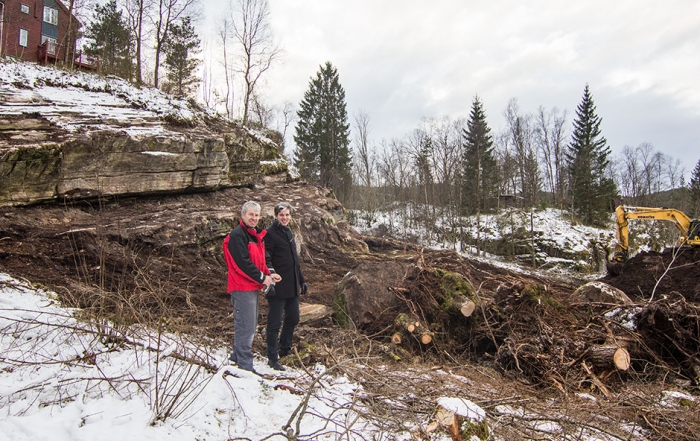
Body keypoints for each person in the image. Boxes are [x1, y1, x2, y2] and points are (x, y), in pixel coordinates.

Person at [222, 201, 279, 372]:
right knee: (246, 325)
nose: (254, 218)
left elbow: (258, 261)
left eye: (256, 215)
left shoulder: (255, 235)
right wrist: (263, 278)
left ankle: (236, 356)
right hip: (241, 288)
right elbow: (242, 264)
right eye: (250, 215)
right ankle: (244, 364)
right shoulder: (237, 235)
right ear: (243, 216)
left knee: (249, 324)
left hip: (251, 287)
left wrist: (268, 275)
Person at [264, 202, 307, 371]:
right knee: (274, 323)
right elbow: (266, 259)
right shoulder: (270, 233)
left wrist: (302, 280)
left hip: (292, 284)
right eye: (282, 215)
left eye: (287, 215)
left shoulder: (288, 231)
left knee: (293, 318)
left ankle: (285, 348)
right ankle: (272, 356)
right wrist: (271, 276)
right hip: (277, 285)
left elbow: (295, 261)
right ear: (276, 216)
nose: (285, 218)